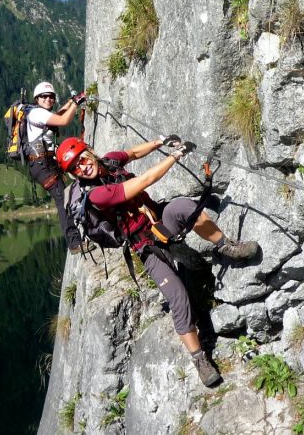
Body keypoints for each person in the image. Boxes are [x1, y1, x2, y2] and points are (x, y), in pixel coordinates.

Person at [55, 136, 260, 387]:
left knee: (184, 206)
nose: (83, 167)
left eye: (82, 160)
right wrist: (175, 156)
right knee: (178, 297)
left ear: (89, 152)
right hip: (145, 245)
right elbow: (144, 181)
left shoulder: (108, 161)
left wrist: (159, 142)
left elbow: (131, 153)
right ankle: (199, 359)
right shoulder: (97, 195)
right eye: (75, 168)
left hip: (158, 218)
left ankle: (226, 246)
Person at [25, 81, 89, 253]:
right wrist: (76, 103)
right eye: (44, 97)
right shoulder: (36, 113)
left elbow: (56, 117)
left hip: (44, 164)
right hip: (43, 165)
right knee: (63, 200)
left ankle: (78, 237)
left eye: (51, 97)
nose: (48, 99)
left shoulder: (38, 113)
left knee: (66, 196)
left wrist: (70, 102)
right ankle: (75, 243)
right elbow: (63, 120)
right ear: (37, 99)